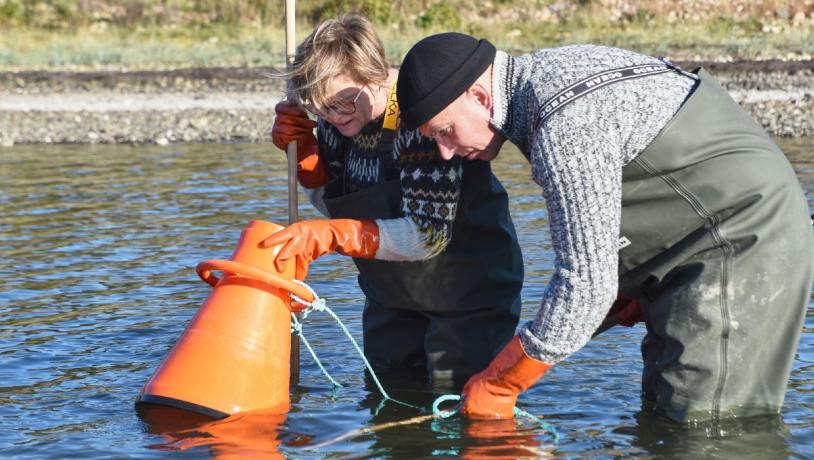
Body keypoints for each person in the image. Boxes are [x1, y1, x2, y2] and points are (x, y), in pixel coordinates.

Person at [268, 31, 813, 423]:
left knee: (707, 423)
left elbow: (584, 286)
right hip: (681, 246)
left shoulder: (561, 123)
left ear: (479, 98)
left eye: (445, 132)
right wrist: (634, 281)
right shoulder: (532, 95)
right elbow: (605, 233)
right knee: (666, 409)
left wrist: (500, 384)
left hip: (739, 239)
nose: (445, 151)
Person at [270, 15, 523, 385]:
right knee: (386, 395)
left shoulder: (419, 119)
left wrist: (330, 237)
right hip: (391, 299)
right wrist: (309, 164)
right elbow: (340, 206)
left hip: (468, 296)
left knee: (462, 406)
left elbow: (427, 236)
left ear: (373, 72)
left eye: (342, 102)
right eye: (320, 106)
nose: (333, 116)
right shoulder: (335, 121)